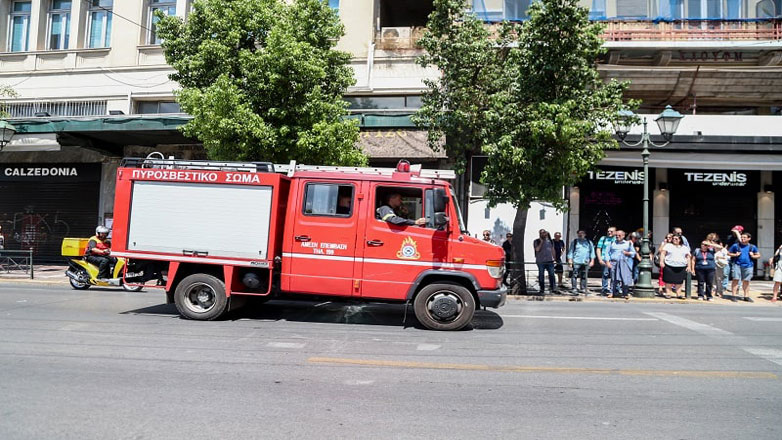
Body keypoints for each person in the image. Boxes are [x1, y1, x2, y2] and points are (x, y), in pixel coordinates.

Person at [728, 232, 760, 302]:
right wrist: (735, 255)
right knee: (735, 279)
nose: (742, 239)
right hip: (737, 265)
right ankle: (733, 295)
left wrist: (753, 256)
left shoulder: (752, 247)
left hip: (748, 266)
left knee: (746, 281)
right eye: (742, 237)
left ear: (749, 238)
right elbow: (728, 253)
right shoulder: (735, 246)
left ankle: (746, 296)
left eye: (744, 237)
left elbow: (758, 255)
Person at [660, 234, 691, 299]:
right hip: (669, 265)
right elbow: (663, 253)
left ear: (680, 240)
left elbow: (688, 257)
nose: (674, 240)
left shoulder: (684, 247)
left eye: (676, 239)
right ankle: (668, 293)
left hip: (681, 266)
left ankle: (678, 294)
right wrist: (661, 262)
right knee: (668, 280)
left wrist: (689, 266)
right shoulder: (668, 246)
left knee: (679, 281)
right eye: (673, 238)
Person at [606, 230, 635, 298]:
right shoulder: (612, 243)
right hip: (614, 262)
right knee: (613, 278)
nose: (617, 237)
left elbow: (633, 253)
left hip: (624, 262)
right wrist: (607, 262)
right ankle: (612, 292)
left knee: (624, 278)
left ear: (623, 236)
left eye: (619, 235)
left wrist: (627, 253)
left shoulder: (628, 243)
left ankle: (625, 293)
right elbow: (607, 253)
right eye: (616, 235)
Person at [567, 230, 595, 295]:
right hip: (576, 261)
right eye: (579, 233)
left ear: (585, 234)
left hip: (585, 262)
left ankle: (583, 288)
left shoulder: (589, 242)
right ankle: (574, 288)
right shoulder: (575, 242)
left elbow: (592, 252)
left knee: (584, 276)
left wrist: (592, 260)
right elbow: (571, 251)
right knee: (574, 275)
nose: (580, 234)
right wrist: (570, 260)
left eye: (582, 233)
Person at [595, 226, 617, 295]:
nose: (609, 232)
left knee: (614, 275)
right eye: (608, 231)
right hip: (605, 259)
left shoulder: (617, 239)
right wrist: (600, 259)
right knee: (605, 274)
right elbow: (598, 249)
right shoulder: (603, 238)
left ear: (615, 232)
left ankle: (613, 289)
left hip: (614, 260)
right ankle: (604, 289)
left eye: (611, 231)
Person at [533, 229, 556, 294]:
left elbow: (553, 250)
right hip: (541, 261)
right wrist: (541, 242)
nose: (543, 234)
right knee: (541, 275)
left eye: (544, 233)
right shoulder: (536, 241)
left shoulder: (550, 241)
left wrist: (555, 258)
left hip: (550, 260)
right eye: (541, 233)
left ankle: (553, 288)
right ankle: (542, 289)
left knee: (551, 274)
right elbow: (537, 249)